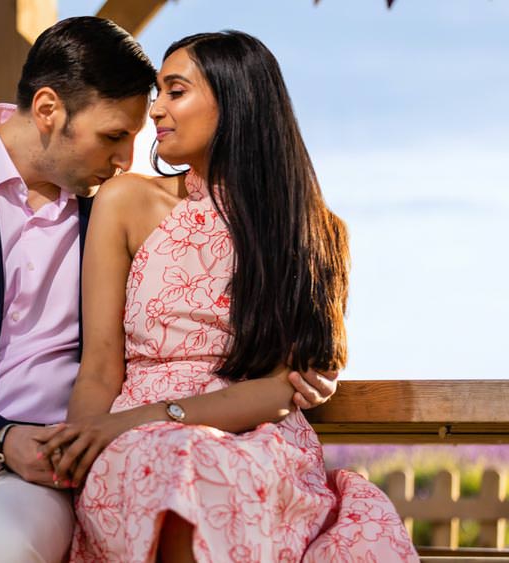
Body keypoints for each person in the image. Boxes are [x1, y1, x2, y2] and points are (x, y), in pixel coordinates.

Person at [0, 19, 339, 563]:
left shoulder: (111, 206)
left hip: (32, 476)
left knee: (9, 550)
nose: (127, 158)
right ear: (48, 110)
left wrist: (295, 374)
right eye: (113, 136)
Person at [40, 31, 416, 562]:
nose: (156, 112)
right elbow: (100, 364)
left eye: (175, 92)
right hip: (129, 438)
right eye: (158, 96)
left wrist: (139, 422)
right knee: (164, 463)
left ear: (235, 100)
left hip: (256, 437)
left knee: (193, 464)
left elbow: (286, 387)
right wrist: (84, 442)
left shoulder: (313, 232)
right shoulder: (125, 201)